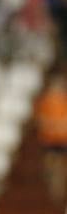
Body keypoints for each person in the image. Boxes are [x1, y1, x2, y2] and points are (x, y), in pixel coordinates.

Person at [35, 72, 67, 203]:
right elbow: (42, 121)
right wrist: (56, 125)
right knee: (52, 166)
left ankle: (60, 190)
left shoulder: (65, 102)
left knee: (61, 167)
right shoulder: (45, 102)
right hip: (49, 141)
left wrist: (56, 125)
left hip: (63, 140)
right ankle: (55, 191)